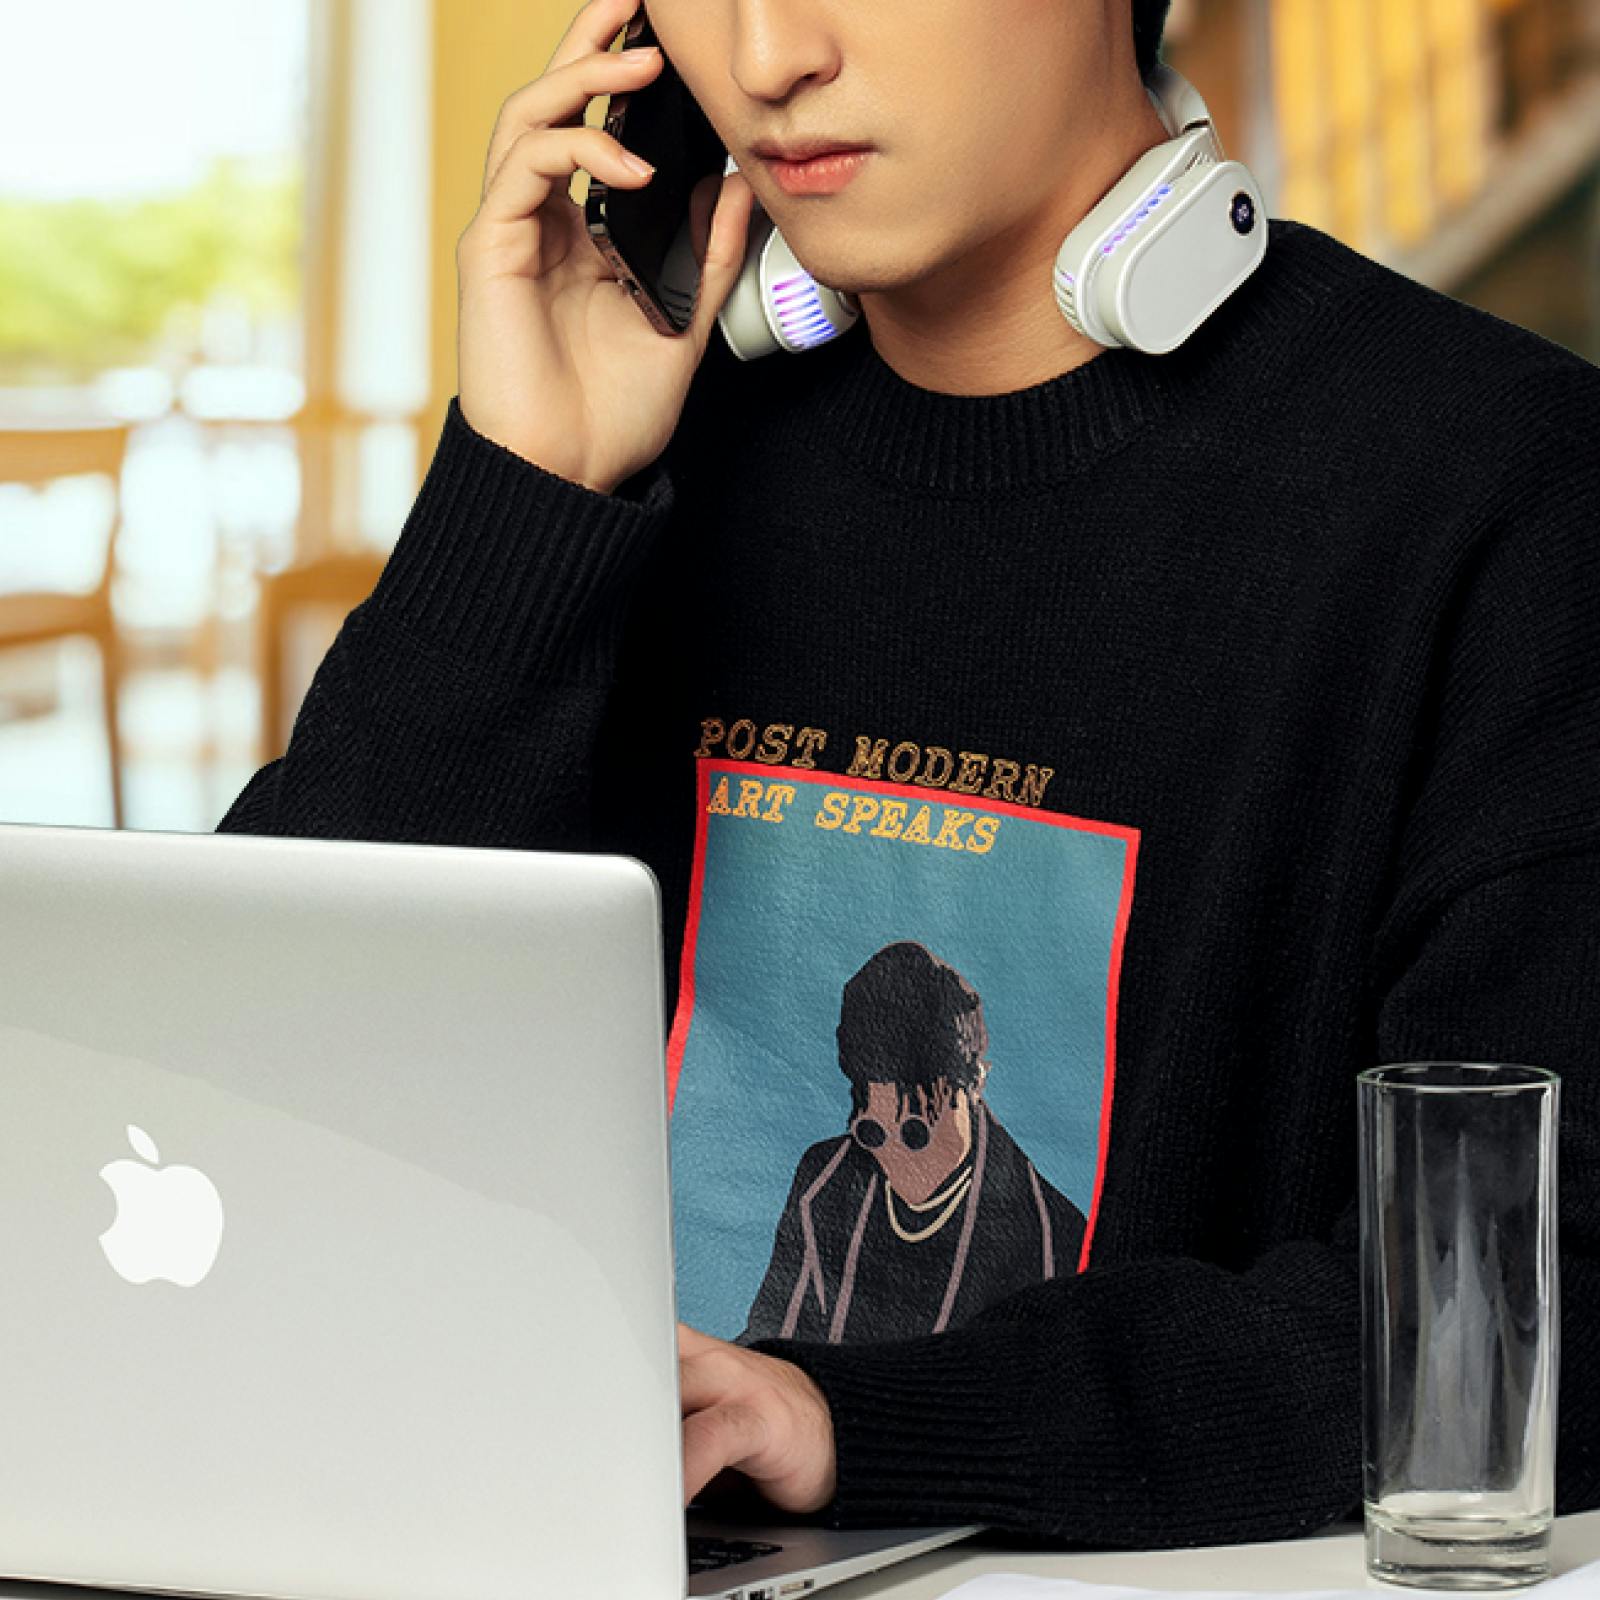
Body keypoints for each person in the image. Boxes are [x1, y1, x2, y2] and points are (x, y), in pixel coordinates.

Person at [217, 0, 1600, 1552]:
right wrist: (525, 498)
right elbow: (226, 1131)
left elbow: (1545, 1300)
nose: (764, 61)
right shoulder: (629, 444)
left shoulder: (1506, 492)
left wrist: (854, 1427)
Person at [739, 940, 1088, 1344]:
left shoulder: (1049, 1239)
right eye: (872, 1132)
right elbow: (771, 1339)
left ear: (974, 1083)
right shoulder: (824, 1181)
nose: (895, 1157)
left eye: (916, 1133)